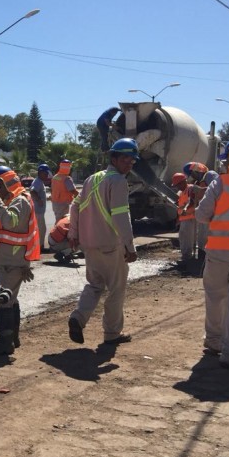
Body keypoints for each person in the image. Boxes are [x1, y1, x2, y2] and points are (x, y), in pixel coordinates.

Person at [67, 138, 138, 346]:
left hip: (89, 245)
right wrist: (130, 247)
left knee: (94, 285)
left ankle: (78, 318)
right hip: (110, 245)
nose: (130, 163)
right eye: (126, 158)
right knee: (116, 289)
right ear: (114, 158)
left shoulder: (92, 178)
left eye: (133, 160)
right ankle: (112, 334)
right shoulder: (118, 182)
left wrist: (74, 234)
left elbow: (75, 206)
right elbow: (120, 217)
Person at [195, 136, 229, 369]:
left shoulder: (220, 183)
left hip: (217, 253)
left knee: (215, 298)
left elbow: (201, 215)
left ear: (228, 159)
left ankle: (214, 342)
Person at [0, 165, 40, 355]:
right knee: (10, 299)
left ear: (3, 183)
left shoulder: (20, 201)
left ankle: (4, 344)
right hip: (10, 263)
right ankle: (12, 339)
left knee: (3, 302)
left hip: (12, 265)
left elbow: (10, 222)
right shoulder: (15, 200)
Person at [184, 161, 210, 259]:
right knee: (201, 234)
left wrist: (199, 189)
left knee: (205, 233)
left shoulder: (209, 176)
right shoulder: (197, 182)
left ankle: (204, 255)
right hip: (201, 211)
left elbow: (213, 189)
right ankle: (201, 254)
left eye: (192, 174)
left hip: (208, 211)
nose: (192, 176)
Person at [171, 172, 198, 264]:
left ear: (183, 182)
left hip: (190, 218)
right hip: (185, 219)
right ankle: (188, 257)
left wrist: (185, 210)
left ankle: (187, 258)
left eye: (178, 185)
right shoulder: (182, 192)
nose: (177, 187)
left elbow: (192, 202)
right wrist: (178, 219)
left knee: (187, 239)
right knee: (184, 238)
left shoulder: (190, 189)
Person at [30, 163, 50, 251]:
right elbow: (33, 191)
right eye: (45, 173)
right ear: (40, 173)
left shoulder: (40, 182)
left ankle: (39, 246)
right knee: (41, 230)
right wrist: (39, 200)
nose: (46, 175)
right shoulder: (37, 181)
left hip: (39, 211)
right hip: (38, 211)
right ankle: (39, 247)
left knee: (41, 229)